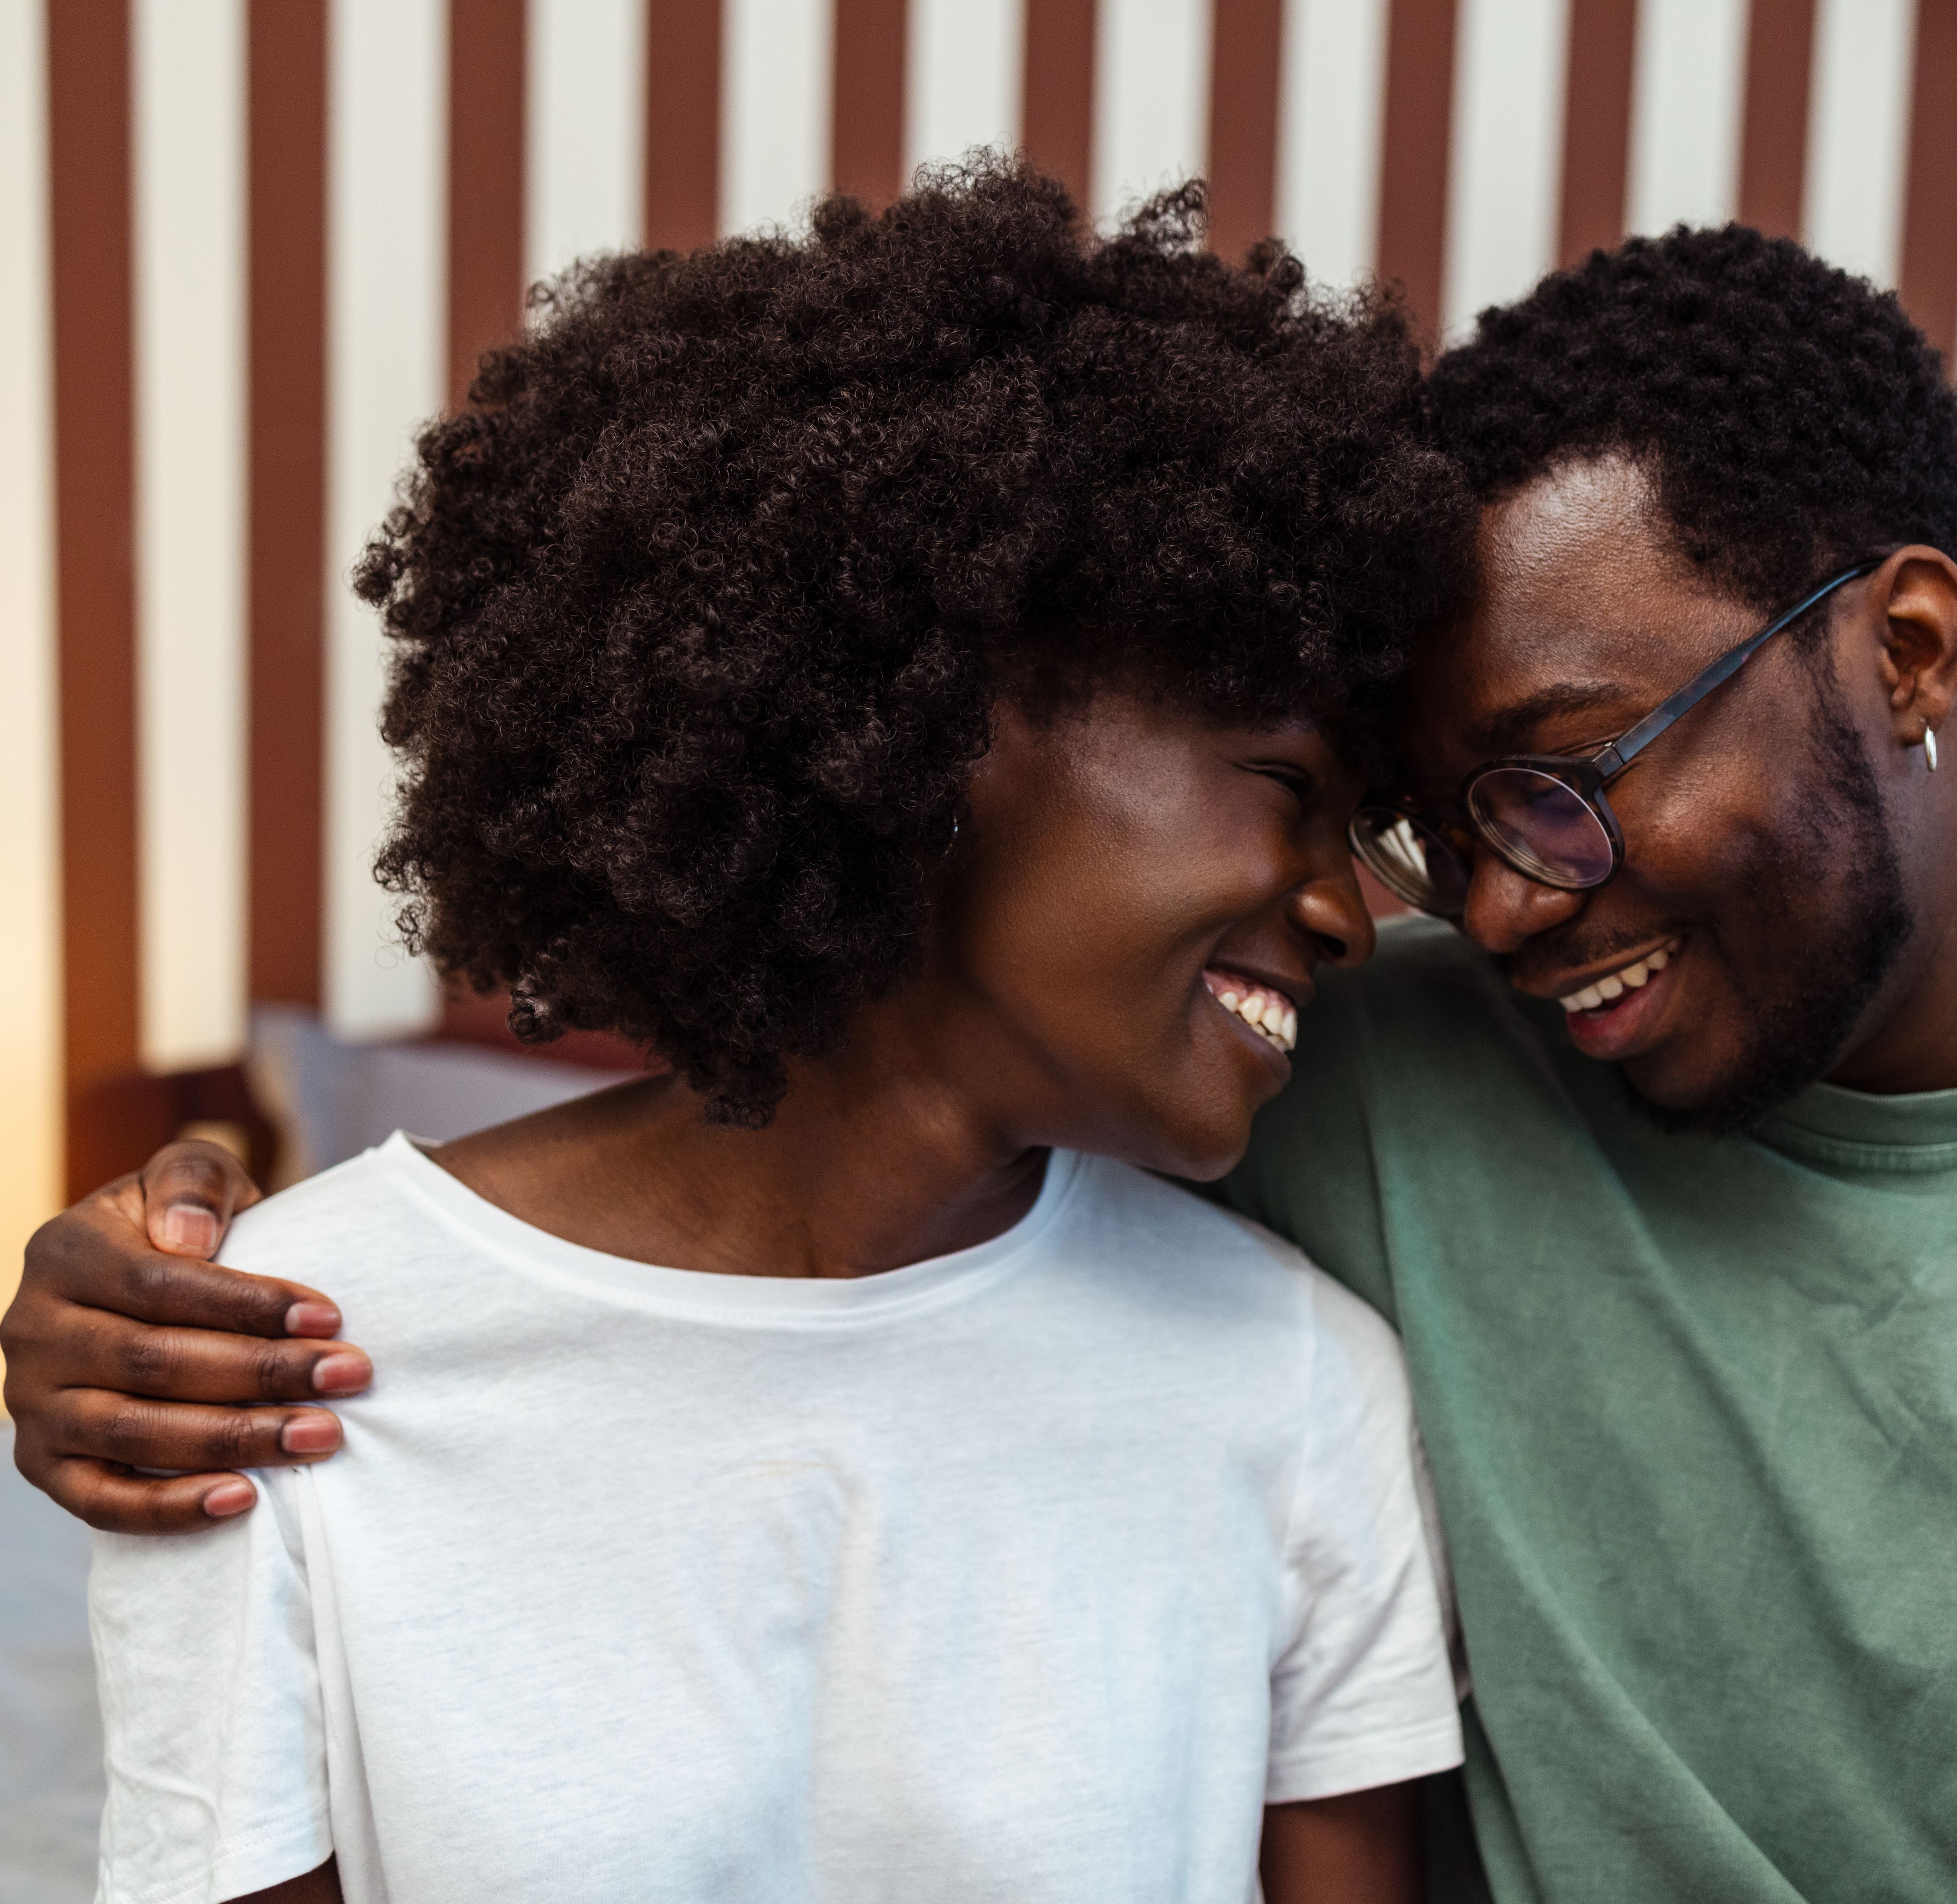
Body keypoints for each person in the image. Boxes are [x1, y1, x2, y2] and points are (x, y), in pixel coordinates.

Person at [12, 225, 1957, 1901]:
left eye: (1560, 775)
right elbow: (805, 1161)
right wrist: (172, 1261)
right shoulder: (1344, 1065)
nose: (1479, 912)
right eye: (1408, 821)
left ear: (1919, 650)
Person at [76, 163, 1478, 1904]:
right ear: (932, 714)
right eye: (1289, 788)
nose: (1350, 908)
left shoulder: (1294, 1386)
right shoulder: (278, 1366)